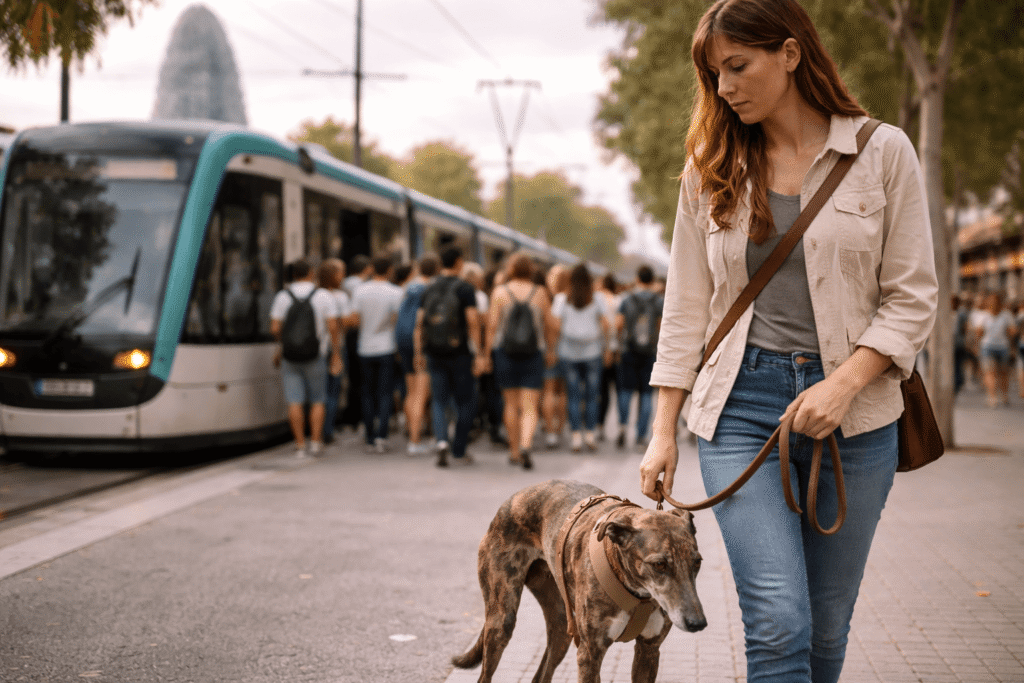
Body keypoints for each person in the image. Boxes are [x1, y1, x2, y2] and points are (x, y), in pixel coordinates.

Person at [636, 1, 938, 681]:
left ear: (792, 54)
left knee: (826, 626)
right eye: (715, 75)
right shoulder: (708, 168)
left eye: (737, 66)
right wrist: (661, 429)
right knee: (779, 621)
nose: (724, 88)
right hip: (740, 409)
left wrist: (844, 383)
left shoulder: (883, 152)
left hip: (856, 418)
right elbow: (685, 309)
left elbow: (913, 294)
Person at [485, 253, 558, 469]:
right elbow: (550, 325)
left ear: (510, 269)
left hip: (504, 352)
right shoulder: (540, 293)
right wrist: (551, 349)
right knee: (529, 406)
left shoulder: (499, 292)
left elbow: (491, 326)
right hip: (533, 353)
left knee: (510, 404)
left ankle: (514, 450)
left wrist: (486, 354)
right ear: (531, 270)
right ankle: (527, 445)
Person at [415, 246, 484, 467]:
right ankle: (459, 449)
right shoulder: (465, 288)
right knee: (466, 401)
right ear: (458, 262)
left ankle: (442, 442)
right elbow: (472, 321)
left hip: (434, 352)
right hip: (460, 353)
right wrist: (480, 352)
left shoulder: (429, 287)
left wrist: (418, 352)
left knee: (438, 400)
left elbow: (419, 324)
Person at [270, 258, 343, 456]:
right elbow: (333, 327)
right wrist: (336, 353)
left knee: (294, 401)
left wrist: (283, 344)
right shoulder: (323, 296)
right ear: (311, 273)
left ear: (293, 275)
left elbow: (275, 327)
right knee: (318, 399)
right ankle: (316, 443)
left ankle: (300, 445)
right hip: (316, 355)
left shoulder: (282, 296)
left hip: (290, 356)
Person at [551, 263, 611, 452]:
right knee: (592, 396)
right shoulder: (597, 298)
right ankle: (590, 433)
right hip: (593, 352)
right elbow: (606, 325)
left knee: (574, 396)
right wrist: (607, 347)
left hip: (568, 352)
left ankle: (576, 436)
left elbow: (555, 326)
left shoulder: (562, 299)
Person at [347, 256, 403, 452]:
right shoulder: (396, 292)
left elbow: (354, 320)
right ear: (389, 270)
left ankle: (369, 436)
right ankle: (382, 436)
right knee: (385, 393)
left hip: (365, 348)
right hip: (387, 347)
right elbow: (396, 322)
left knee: (367, 393)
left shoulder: (360, 291)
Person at [615, 264, 664, 449]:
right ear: (652, 280)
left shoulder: (627, 299)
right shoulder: (659, 301)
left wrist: (619, 343)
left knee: (626, 391)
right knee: (646, 394)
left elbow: (619, 324)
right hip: (649, 352)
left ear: (637, 279)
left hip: (629, 349)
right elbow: (661, 327)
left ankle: (622, 427)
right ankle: (641, 435)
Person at [396, 253, 439, 455]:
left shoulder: (409, 287)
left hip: (402, 339)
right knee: (421, 394)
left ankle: (410, 430)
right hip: (418, 342)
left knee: (411, 391)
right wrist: (420, 350)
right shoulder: (430, 289)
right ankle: (415, 440)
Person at [339, 254, 373, 431]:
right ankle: (358, 418)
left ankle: (351, 417)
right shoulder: (362, 286)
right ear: (367, 268)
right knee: (361, 380)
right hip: (358, 335)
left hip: (347, 336)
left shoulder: (345, 283)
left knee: (352, 379)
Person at [318, 258, 350, 444]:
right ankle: (327, 431)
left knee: (318, 393)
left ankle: (315, 430)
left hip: (318, 348)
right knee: (332, 390)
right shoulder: (340, 297)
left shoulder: (315, 294)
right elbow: (344, 323)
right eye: (340, 272)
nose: (343, 276)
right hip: (335, 347)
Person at [541, 264, 569, 448]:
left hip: (551, 349)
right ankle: (559, 428)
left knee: (549, 391)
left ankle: (551, 431)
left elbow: (552, 328)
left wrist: (550, 349)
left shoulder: (548, 298)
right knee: (563, 392)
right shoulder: (573, 297)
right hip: (569, 351)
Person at [975, 291, 1018, 408]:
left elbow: (1012, 331)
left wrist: (1013, 332)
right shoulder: (984, 315)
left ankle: (1003, 395)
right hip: (988, 347)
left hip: (1002, 347)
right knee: (991, 373)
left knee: (1003, 373)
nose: (993, 304)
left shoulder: (1006, 315)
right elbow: (979, 332)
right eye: (991, 302)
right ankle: (993, 396)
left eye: (995, 301)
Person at [595, 273, 621, 440]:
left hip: (596, 349)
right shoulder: (618, 300)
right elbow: (617, 327)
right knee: (610, 391)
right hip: (614, 349)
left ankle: (596, 425)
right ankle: (610, 425)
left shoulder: (596, 299)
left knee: (597, 390)